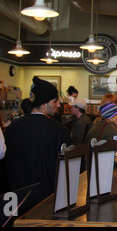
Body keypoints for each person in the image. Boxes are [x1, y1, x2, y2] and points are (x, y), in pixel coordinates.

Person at [4, 76, 72, 206]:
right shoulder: (58, 130)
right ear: (44, 104)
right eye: (55, 101)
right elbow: (66, 167)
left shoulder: (13, 127)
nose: (58, 105)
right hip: (49, 198)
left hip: (18, 198)